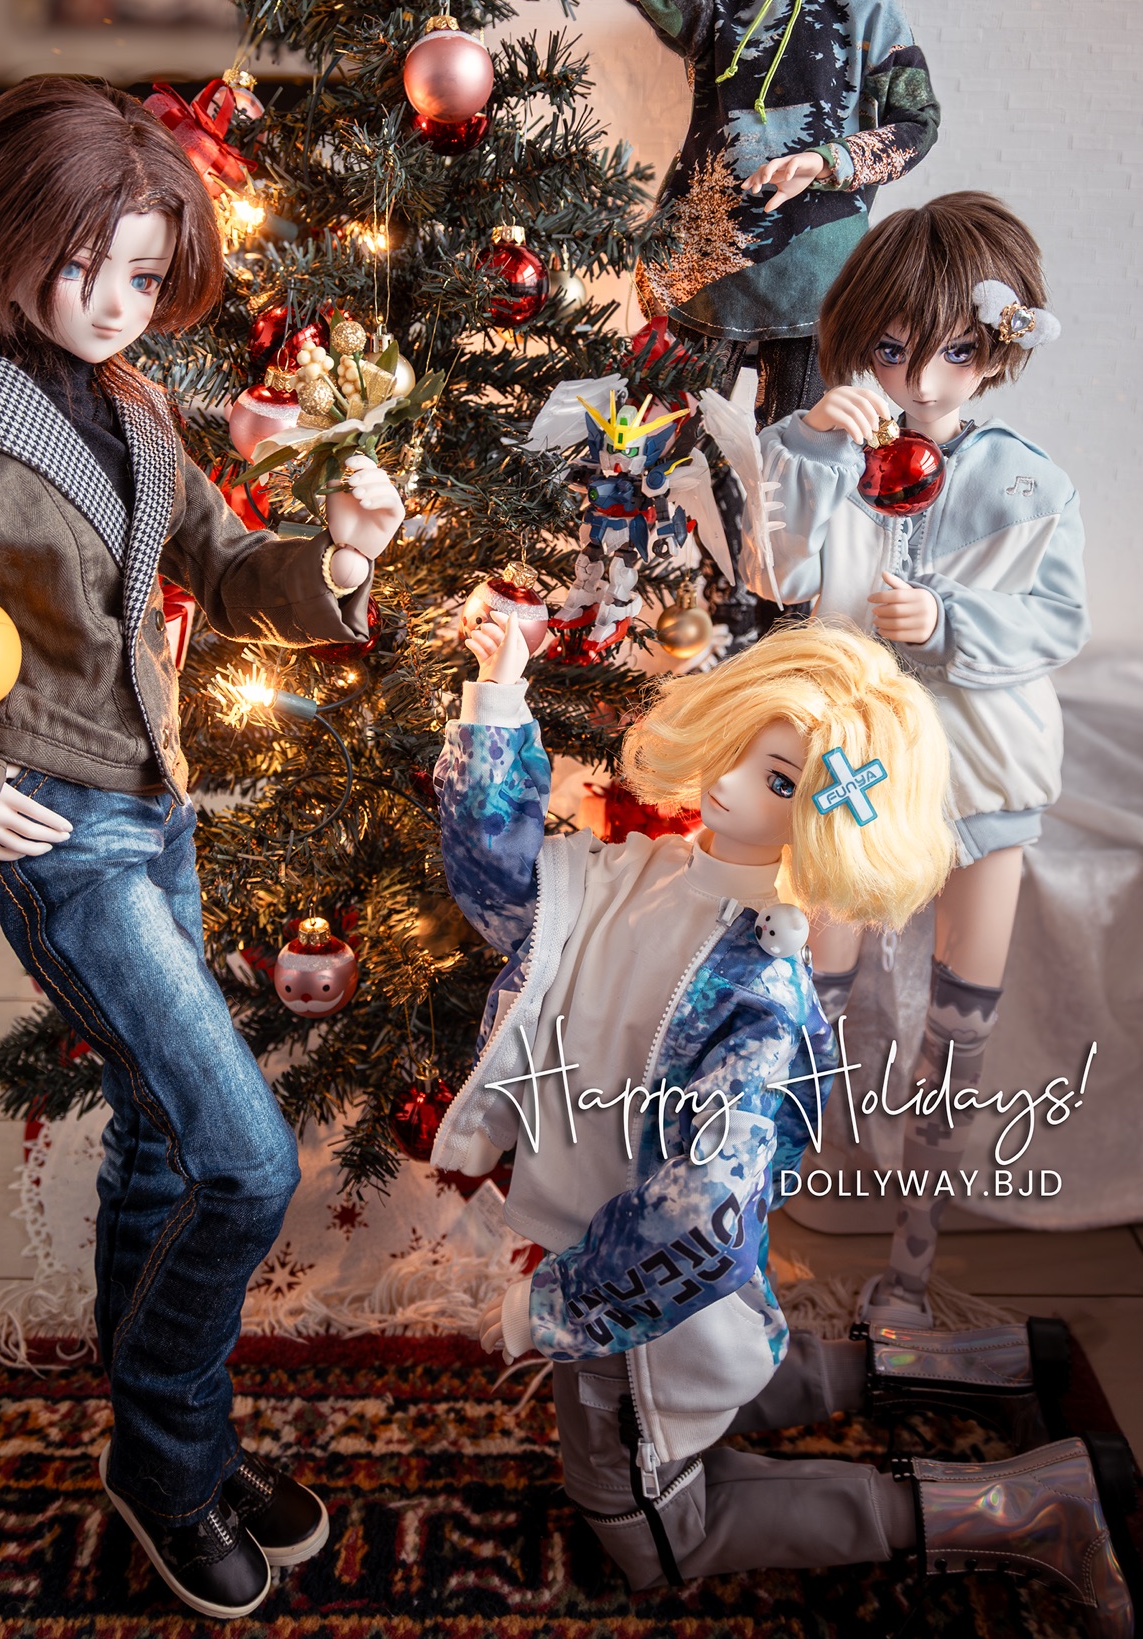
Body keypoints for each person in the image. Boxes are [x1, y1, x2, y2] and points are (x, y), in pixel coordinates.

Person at [0, 76, 406, 1621]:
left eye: (140, 273)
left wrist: (339, 561)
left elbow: (222, 557)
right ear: (10, 240)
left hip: (156, 798)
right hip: (58, 827)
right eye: (81, 265)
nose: (112, 300)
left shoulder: (134, 406)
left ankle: (166, 1453)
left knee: (158, 1131)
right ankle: (170, 1453)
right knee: (244, 1157)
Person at [428, 621, 1131, 1633]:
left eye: (781, 781)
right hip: (634, 1265)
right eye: (742, 748)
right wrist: (498, 694)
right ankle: (980, 1366)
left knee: (647, 1525)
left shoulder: (758, 995)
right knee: (724, 1371)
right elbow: (503, 889)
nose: (727, 783)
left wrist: (551, 1308)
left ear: (829, 822)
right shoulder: (634, 872)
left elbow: (702, 1212)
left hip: (637, 1283)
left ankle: (1025, 1507)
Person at [750, 189, 1089, 1327]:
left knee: (960, 1022)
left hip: (981, 773)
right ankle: (756, 1242)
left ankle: (909, 1271)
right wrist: (805, 444)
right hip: (853, 766)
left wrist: (948, 624)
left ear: (997, 348)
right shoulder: (828, 449)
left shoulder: (1028, 482)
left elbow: (1057, 622)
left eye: (955, 351)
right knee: (802, 995)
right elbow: (772, 573)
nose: (923, 380)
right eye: (893, 351)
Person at [507, 0, 940, 432]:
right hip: (702, 269)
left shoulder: (871, 14)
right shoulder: (723, 10)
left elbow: (916, 127)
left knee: (800, 456)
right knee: (667, 451)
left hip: (818, 275)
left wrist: (826, 161)